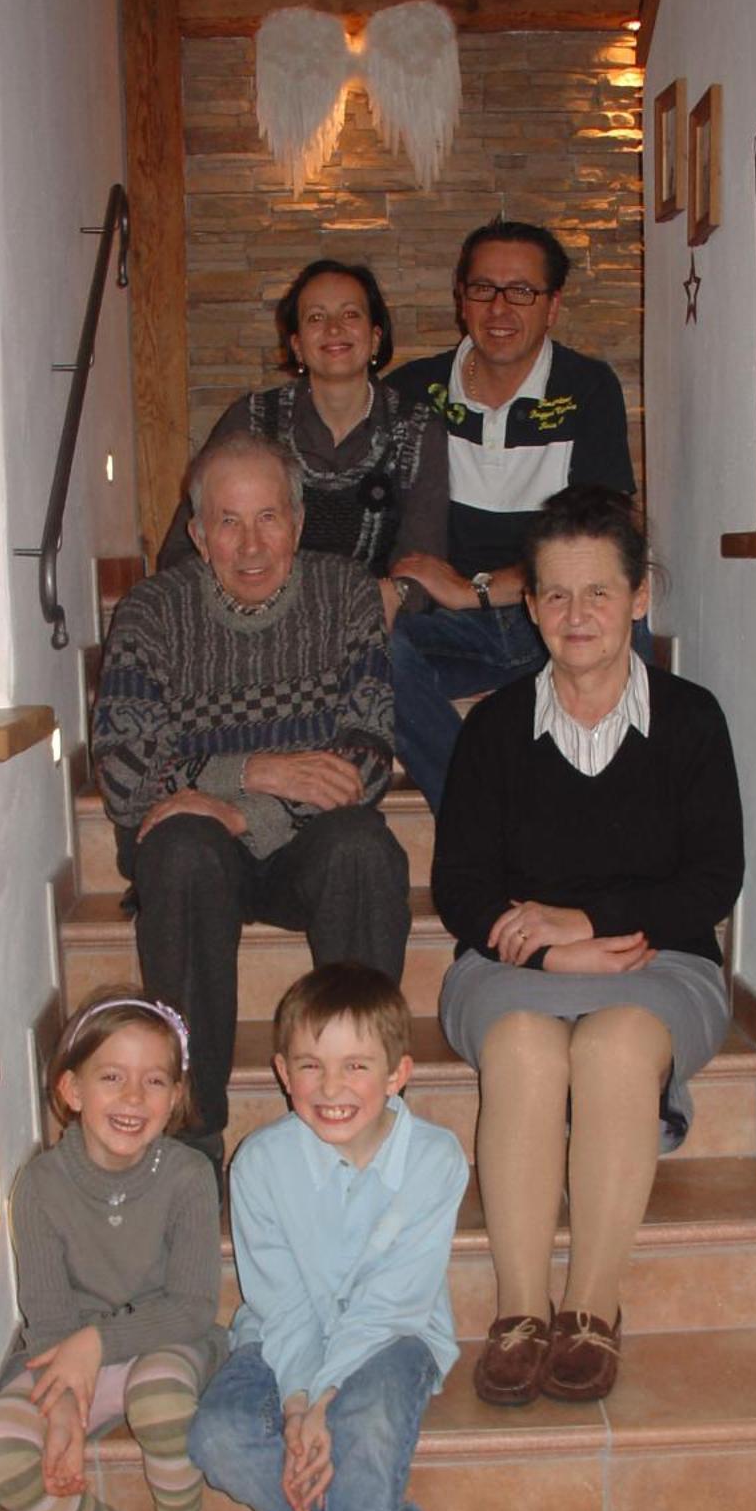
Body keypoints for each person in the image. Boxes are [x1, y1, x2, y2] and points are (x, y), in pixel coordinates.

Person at [430, 486, 744, 1407]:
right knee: (526, 1045)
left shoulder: (691, 721)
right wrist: (546, 954)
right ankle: (523, 1312)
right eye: (556, 596)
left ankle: (593, 1307)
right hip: (508, 963)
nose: (577, 617)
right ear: (530, 607)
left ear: (639, 597)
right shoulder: (493, 728)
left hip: (662, 959)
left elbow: (709, 883)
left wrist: (586, 922)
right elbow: (461, 892)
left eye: (598, 593)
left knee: (612, 1047)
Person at [92, 431, 411, 1170]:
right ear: (198, 534)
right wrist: (257, 771)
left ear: (298, 524)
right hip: (204, 857)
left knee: (364, 847)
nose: (252, 544)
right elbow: (126, 776)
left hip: (310, 848)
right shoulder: (149, 612)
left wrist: (239, 805)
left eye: (269, 518)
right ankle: (194, 1136)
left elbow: (363, 761)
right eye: (228, 523)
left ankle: (360, 1119)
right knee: (177, 851)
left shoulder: (345, 597)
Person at [189, 964, 467, 1511]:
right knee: (217, 1435)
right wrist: (304, 1396)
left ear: (398, 1074)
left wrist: (326, 1405)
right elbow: (280, 1304)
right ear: (281, 1073)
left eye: (356, 1067)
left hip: (394, 1343)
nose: (332, 1087)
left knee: (370, 1423)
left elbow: (389, 1306)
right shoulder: (261, 1162)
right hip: (277, 1343)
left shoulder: (435, 1159)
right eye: (310, 1065)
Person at [0, 990, 226, 1511]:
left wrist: (96, 1345)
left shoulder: (190, 1176)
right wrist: (61, 1413)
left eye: (154, 1081)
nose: (134, 1098)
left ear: (176, 1097)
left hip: (169, 1344)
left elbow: (192, 1308)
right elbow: (52, 1322)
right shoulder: (42, 1186)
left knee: (161, 1391)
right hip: (73, 1353)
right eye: (112, 1077)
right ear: (73, 1090)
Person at [384, 217, 640, 809]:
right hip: (452, 635)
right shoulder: (416, 392)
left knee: (621, 613)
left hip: (546, 617)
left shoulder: (586, 388)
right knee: (365, 646)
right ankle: (481, 811)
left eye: (521, 291)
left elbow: (603, 538)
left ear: (552, 306)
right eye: (483, 289)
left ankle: (615, 808)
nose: (499, 308)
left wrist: (471, 589)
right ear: (461, 299)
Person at [158, 258, 448, 614]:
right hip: (259, 614)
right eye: (315, 317)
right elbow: (181, 550)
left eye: (351, 315)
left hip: (368, 616)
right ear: (296, 345)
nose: (333, 329)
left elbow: (421, 565)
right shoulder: (251, 419)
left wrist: (390, 600)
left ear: (375, 337)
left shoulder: (418, 430)